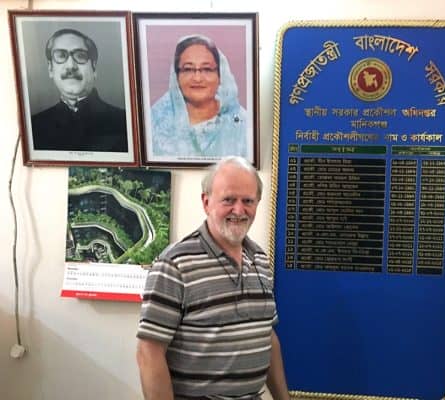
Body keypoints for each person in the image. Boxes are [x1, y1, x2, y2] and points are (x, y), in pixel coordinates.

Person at [136, 156, 290, 400]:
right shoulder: (175, 265)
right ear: (206, 202)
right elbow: (149, 352)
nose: (239, 210)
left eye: (247, 201)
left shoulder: (259, 259)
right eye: (228, 200)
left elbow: (266, 335)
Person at [31, 28, 128, 152]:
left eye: (80, 56)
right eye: (61, 55)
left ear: (94, 68)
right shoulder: (34, 126)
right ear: (50, 69)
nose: (71, 66)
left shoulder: (124, 122)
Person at [151, 35, 248, 158]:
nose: (197, 78)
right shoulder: (155, 121)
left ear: (220, 75)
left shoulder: (242, 124)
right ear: (176, 76)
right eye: (188, 69)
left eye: (207, 69)